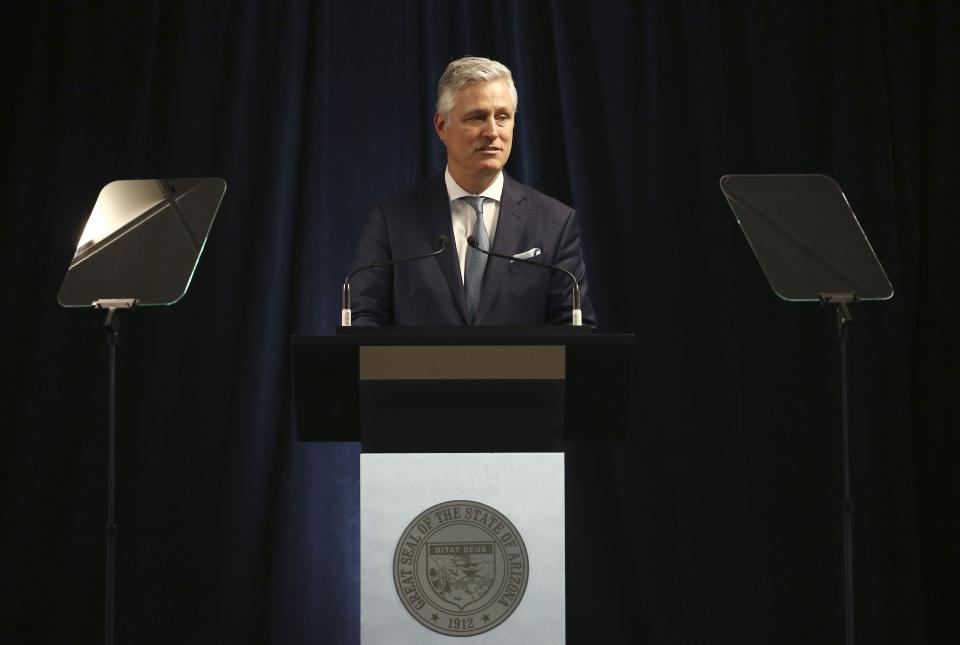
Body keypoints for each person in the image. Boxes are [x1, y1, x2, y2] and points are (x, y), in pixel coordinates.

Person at [349, 56, 595, 326]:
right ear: (442, 126)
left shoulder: (555, 223)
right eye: (477, 118)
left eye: (502, 117)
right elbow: (365, 319)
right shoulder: (391, 220)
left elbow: (573, 329)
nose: (492, 132)